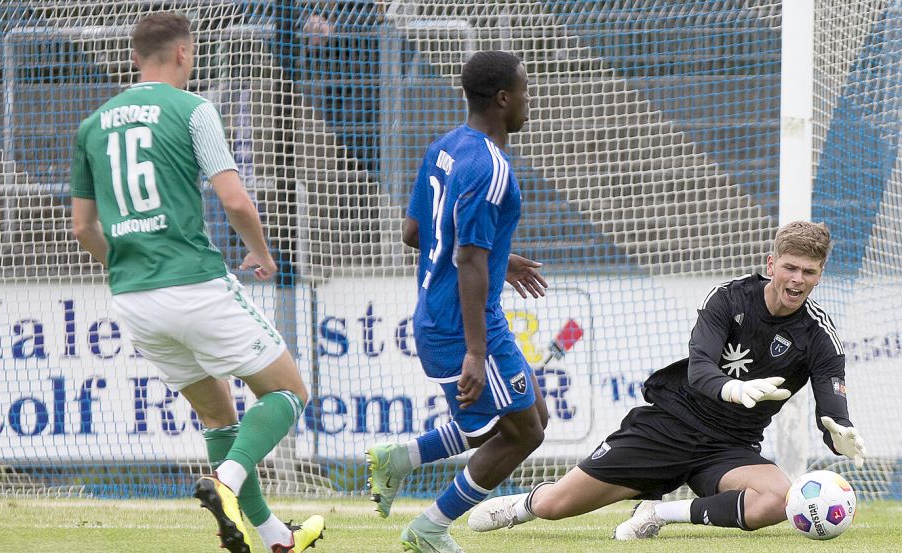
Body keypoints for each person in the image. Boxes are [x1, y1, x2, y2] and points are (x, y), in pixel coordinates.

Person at [70, 12, 324, 553]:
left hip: (134, 297)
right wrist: (260, 251)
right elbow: (233, 198)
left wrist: (131, 264)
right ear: (184, 54)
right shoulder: (193, 109)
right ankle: (227, 483)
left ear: (135, 57)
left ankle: (275, 537)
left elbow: (83, 227)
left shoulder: (92, 125)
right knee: (289, 392)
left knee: (217, 415)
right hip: (195, 283)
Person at [467, 221, 868, 540]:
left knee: (779, 499)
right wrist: (734, 388)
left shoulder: (819, 335)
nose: (797, 280)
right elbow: (700, 368)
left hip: (729, 448)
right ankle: (521, 506)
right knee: (555, 506)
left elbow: (832, 409)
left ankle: (658, 513)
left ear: (820, 275)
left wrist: (840, 432)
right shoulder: (728, 299)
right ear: (771, 265)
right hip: (669, 426)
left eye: (808, 272)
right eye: (790, 267)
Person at [365, 50, 550, 553]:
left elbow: (414, 233)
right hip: (463, 326)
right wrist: (475, 350)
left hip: (447, 314)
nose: (529, 100)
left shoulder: (446, 147)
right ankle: (428, 529)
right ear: (504, 98)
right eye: (525, 90)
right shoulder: (489, 166)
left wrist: (498, 259)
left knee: (529, 415)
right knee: (521, 433)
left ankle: (400, 458)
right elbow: (466, 259)